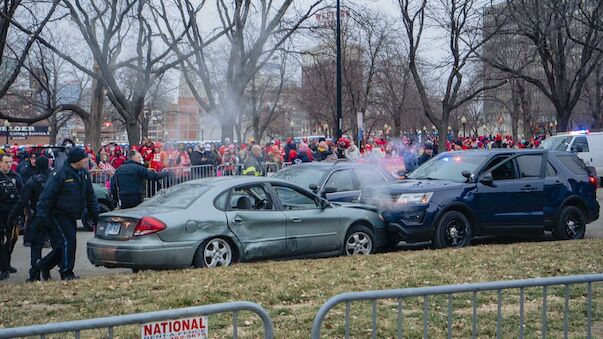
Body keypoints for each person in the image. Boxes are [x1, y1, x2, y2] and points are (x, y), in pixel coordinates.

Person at [35, 148, 99, 280]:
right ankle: (66, 272)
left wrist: (95, 215)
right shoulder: (60, 174)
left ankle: (44, 264)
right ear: (76, 160)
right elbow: (46, 196)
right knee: (69, 242)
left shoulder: (83, 174)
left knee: (65, 244)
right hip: (58, 213)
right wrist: (41, 216)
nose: (87, 160)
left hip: (72, 214)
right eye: (84, 158)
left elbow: (90, 195)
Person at [8, 156, 55, 282]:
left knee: (36, 246)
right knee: (58, 245)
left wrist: (13, 215)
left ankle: (35, 275)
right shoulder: (55, 178)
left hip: (38, 216)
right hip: (54, 216)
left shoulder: (33, 181)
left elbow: (22, 201)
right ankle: (47, 265)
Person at [0, 154, 23, 280]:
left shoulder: (16, 177)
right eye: (6, 162)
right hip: (0, 213)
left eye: (10, 162)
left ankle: (6, 264)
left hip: (12, 213)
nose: (8, 165)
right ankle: (3, 268)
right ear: (0, 163)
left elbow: (22, 193)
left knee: (11, 240)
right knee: (1, 242)